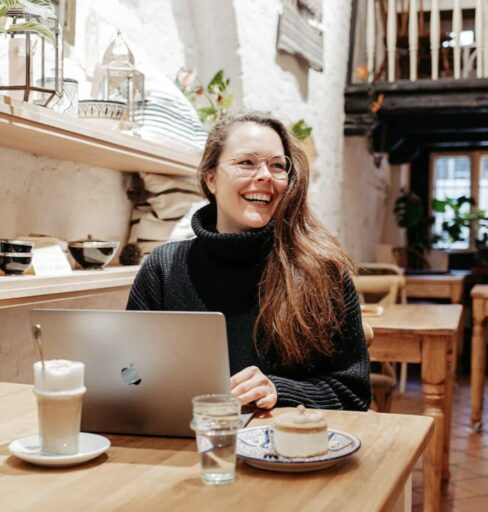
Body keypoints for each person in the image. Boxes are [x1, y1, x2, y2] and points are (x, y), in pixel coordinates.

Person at [127, 112, 371, 411]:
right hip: (189, 446)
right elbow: (129, 376)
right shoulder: (164, 268)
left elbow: (353, 394)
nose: (266, 175)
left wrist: (278, 390)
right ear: (211, 179)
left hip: (286, 448)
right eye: (247, 163)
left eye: (277, 166)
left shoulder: (322, 272)